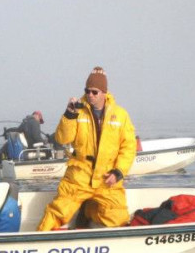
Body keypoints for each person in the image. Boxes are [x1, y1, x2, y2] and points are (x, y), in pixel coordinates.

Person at [37, 66, 136, 231]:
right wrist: (69, 115)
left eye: (95, 92)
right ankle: (38, 243)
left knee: (118, 218)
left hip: (106, 178)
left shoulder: (121, 115)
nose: (90, 95)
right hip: (79, 176)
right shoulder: (77, 111)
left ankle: (89, 211)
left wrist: (119, 172)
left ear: (104, 92)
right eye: (87, 91)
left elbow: (128, 147)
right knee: (58, 211)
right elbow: (62, 138)